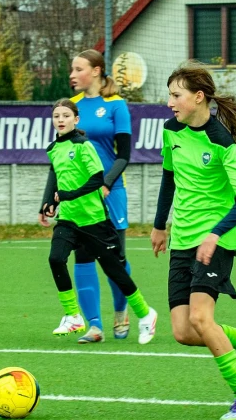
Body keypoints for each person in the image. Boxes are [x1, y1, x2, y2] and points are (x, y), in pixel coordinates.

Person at [149, 63, 236, 420]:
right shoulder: (171, 131)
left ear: (198, 97)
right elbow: (169, 177)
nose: (169, 103)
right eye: (169, 95)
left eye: (175, 95)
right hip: (183, 237)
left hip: (217, 240)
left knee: (201, 318)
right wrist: (160, 225)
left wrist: (215, 234)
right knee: (183, 331)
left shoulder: (221, 142)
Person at [41, 99, 156, 346]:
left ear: (76, 119)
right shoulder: (53, 148)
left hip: (94, 220)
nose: (60, 120)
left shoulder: (84, 146)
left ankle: (146, 314)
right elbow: (58, 177)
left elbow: (97, 180)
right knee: (56, 258)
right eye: (56, 116)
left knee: (114, 271)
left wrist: (69, 195)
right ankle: (73, 316)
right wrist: (48, 202)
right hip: (68, 219)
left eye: (65, 115)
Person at [68, 48, 136, 339]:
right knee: (83, 256)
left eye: (79, 69)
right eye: (72, 69)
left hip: (111, 191)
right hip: (81, 195)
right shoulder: (71, 106)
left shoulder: (116, 105)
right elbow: (63, 154)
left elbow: (124, 154)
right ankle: (94, 325)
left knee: (114, 258)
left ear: (96, 71)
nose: (72, 75)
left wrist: (106, 183)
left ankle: (121, 311)